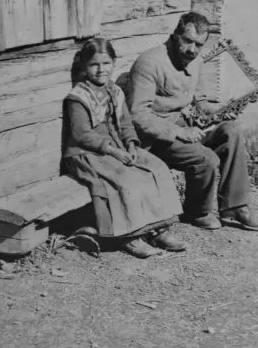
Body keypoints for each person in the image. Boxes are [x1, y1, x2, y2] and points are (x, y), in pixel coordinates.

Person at [125, 12, 258, 231]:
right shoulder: (149, 63)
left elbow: (199, 101)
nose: (192, 50)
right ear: (175, 36)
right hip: (155, 139)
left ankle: (235, 206)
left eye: (198, 45)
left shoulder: (196, 61)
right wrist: (179, 132)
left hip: (186, 128)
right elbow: (138, 116)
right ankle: (197, 211)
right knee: (206, 157)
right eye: (187, 41)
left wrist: (221, 111)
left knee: (231, 130)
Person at [62, 37, 187, 258]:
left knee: (157, 168)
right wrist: (114, 151)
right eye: (94, 65)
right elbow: (82, 135)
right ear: (84, 66)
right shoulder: (78, 97)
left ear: (113, 63)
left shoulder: (115, 91)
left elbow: (126, 124)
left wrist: (130, 145)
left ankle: (157, 229)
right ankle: (130, 236)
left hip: (117, 148)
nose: (101, 70)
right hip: (87, 153)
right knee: (125, 179)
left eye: (106, 63)